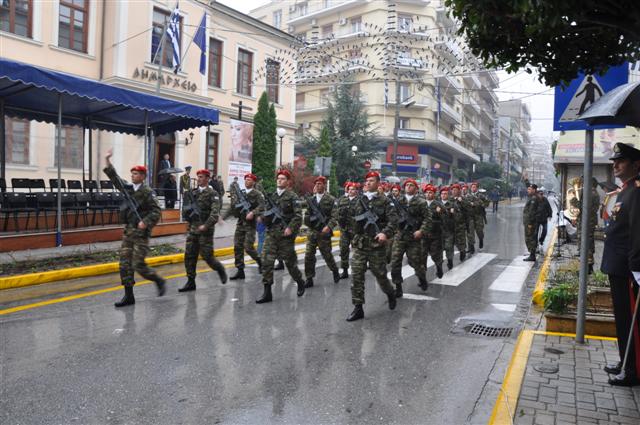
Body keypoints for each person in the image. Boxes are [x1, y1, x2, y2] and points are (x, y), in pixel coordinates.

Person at [103, 149, 165, 307]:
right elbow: (115, 178)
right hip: (129, 232)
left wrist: (146, 221)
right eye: (132, 174)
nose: (133, 176)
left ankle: (157, 279)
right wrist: (108, 160)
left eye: (136, 174)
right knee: (124, 263)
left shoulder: (148, 192)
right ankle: (129, 296)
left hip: (141, 233)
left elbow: (157, 211)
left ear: (143, 176)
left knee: (138, 264)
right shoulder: (128, 188)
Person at [600, 143, 640, 387]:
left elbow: (637, 231)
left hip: (628, 268)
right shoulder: (623, 190)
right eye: (615, 161)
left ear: (636, 164)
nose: (615, 164)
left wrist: (637, 267)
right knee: (622, 318)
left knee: (631, 321)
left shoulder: (635, 192)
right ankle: (624, 361)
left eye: (621, 161)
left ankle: (633, 370)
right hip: (616, 265)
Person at [346, 171, 398, 322]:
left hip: (376, 245)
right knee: (356, 276)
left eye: (371, 180)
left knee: (380, 275)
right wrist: (352, 237)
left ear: (378, 183)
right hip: (360, 244)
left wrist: (385, 234)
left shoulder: (386, 201)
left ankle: (390, 293)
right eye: (366, 180)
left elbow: (393, 221)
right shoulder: (357, 200)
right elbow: (350, 220)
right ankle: (358, 308)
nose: (367, 183)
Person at [256, 169, 306, 304]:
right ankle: (267, 293)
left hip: (285, 236)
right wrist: (262, 218)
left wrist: (290, 228)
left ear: (288, 182)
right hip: (271, 234)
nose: (280, 180)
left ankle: (300, 281)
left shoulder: (292, 197)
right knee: (266, 262)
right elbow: (266, 212)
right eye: (278, 178)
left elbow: (298, 216)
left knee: (290, 264)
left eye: (283, 178)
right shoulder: (271, 196)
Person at [178, 169, 227, 292]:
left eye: (201, 177)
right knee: (189, 255)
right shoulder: (192, 193)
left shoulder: (213, 194)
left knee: (207, 257)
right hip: (193, 229)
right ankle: (190, 281)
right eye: (198, 177)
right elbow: (186, 210)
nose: (198, 179)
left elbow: (215, 213)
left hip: (206, 230)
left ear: (207, 178)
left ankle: (220, 269)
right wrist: (187, 220)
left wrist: (206, 225)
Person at [390, 178, 430, 297]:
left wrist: (421, 231)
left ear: (416, 188)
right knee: (395, 262)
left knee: (415, 263)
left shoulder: (421, 202)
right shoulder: (398, 200)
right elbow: (392, 216)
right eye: (407, 185)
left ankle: (422, 278)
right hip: (400, 236)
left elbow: (428, 218)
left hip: (414, 237)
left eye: (411, 185)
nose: (408, 187)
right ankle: (398, 287)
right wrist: (395, 226)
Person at [225, 173, 264, 280]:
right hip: (240, 223)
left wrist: (253, 213)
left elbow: (262, 206)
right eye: (246, 179)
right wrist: (223, 217)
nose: (247, 181)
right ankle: (240, 270)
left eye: (249, 180)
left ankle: (260, 261)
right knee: (237, 247)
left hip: (250, 225)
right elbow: (233, 207)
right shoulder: (240, 193)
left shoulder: (257, 194)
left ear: (253, 182)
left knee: (248, 247)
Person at [303, 176, 340, 288]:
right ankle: (309, 278)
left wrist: (328, 227)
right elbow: (307, 214)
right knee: (309, 255)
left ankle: (334, 271)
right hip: (312, 231)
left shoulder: (331, 199)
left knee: (327, 255)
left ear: (324, 185)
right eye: (316, 183)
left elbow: (335, 216)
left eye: (320, 183)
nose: (318, 185)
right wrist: (309, 220)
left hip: (324, 232)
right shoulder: (311, 200)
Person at [570, 176, 601, 273]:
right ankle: (587, 266)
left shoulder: (590, 193)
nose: (581, 184)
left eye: (583, 182)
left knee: (586, 243)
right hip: (586, 220)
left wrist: (573, 199)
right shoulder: (591, 192)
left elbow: (584, 207)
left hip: (587, 221)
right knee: (586, 242)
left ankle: (588, 267)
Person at [336, 182, 358, 279]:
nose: (350, 191)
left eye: (353, 189)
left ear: (356, 191)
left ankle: (358, 270)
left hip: (356, 230)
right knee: (344, 249)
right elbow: (336, 212)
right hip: (344, 229)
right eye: (349, 189)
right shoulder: (342, 200)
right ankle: (344, 270)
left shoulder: (360, 201)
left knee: (357, 251)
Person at [423, 184, 444, 278]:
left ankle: (439, 267)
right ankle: (422, 274)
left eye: (430, 192)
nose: (428, 194)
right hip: (423, 233)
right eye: (427, 192)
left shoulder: (438, 204)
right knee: (422, 254)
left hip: (435, 234)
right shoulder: (421, 203)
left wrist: (439, 213)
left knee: (435, 254)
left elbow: (445, 218)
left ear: (434, 194)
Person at [440, 186, 463, 270]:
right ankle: (439, 264)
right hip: (438, 231)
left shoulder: (453, 204)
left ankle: (450, 260)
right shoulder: (436, 204)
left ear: (448, 195)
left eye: (445, 194)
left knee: (449, 247)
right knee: (438, 248)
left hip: (449, 230)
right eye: (442, 194)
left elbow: (459, 217)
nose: (443, 195)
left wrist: (453, 213)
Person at [450, 183, 468, 262]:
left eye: (455, 190)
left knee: (461, 240)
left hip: (460, 224)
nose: (454, 191)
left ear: (459, 191)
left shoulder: (463, 199)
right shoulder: (449, 199)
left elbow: (468, 209)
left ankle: (462, 251)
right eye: (453, 190)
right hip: (450, 224)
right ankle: (450, 258)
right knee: (450, 241)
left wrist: (462, 202)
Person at [469, 182, 490, 249]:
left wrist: (481, 205)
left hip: (478, 216)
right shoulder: (468, 196)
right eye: (472, 187)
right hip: (470, 216)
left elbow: (487, 202)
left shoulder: (481, 196)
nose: (473, 188)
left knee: (479, 231)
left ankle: (481, 240)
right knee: (470, 233)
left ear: (477, 188)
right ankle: (471, 247)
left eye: (474, 187)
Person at [523, 183, 540, 261]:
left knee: (530, 238)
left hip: (531, 223)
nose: (528, 190)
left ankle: (532, 255)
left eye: (530, 189)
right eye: (528, 189)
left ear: (534, 190)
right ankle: (532, 254)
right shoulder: (532, 197)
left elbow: (532, 212)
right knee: (530, 238)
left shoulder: (534, 198)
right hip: (529, 222)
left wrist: (529, 223)